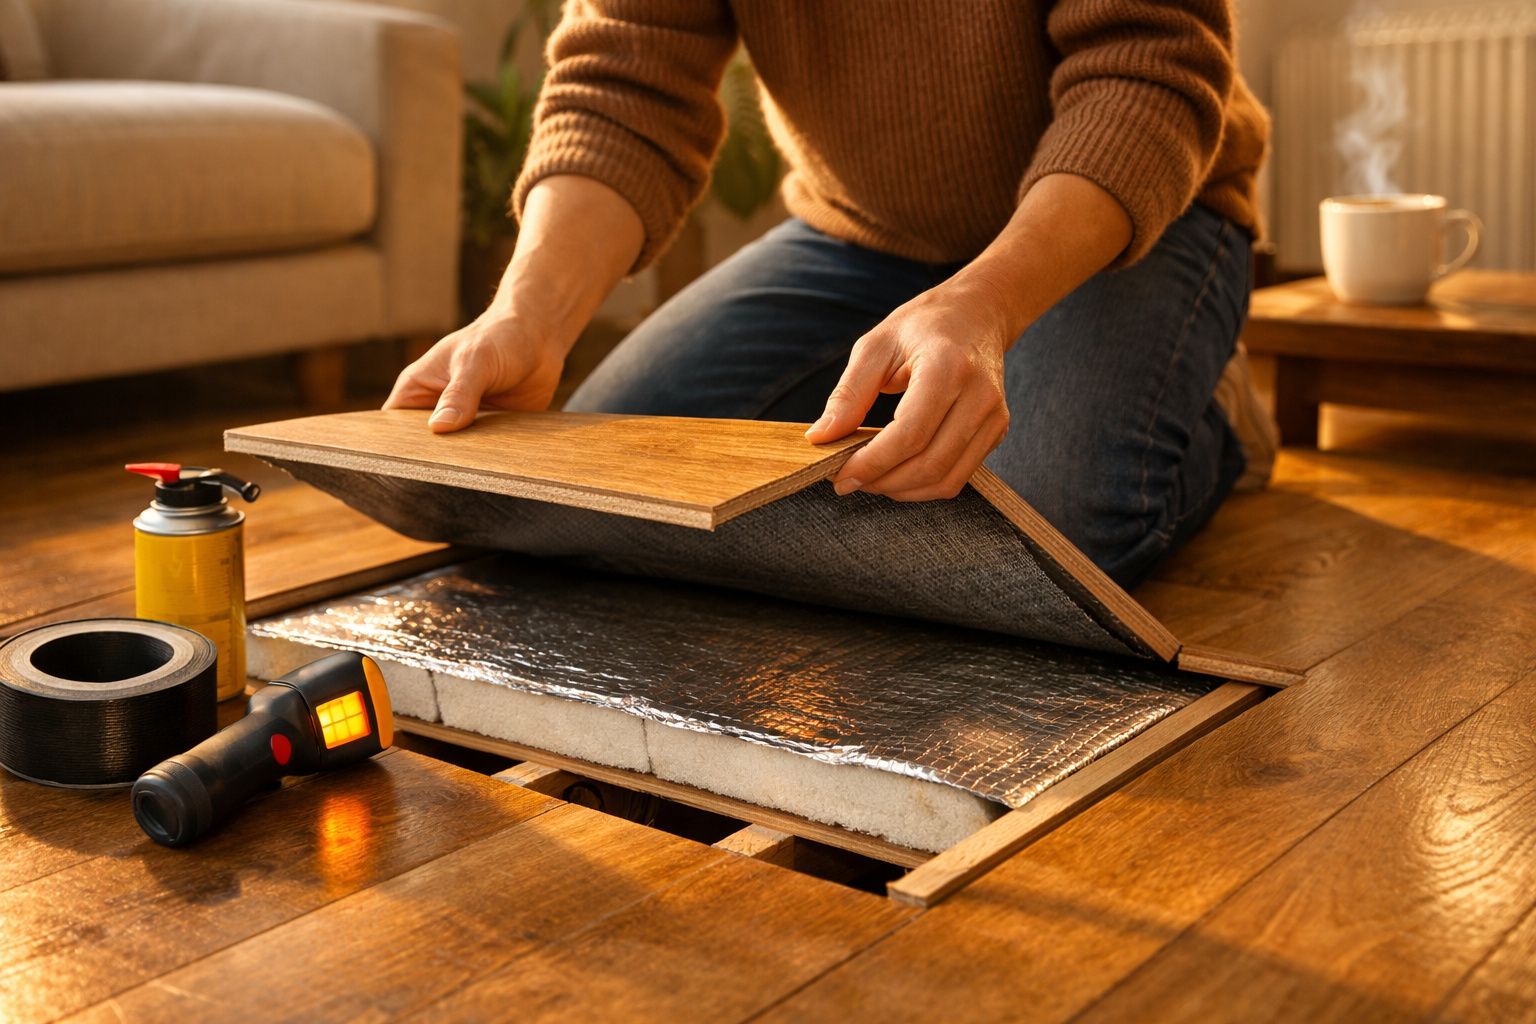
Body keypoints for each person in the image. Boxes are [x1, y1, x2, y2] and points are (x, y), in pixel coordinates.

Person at [387, 0, 1276, 587]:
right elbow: (622, 86)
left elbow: (1146, 73)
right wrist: (528, 314)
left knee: (1035, 537)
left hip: (1123, 222)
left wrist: (985, 303)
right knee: (600, 498)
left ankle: (1213, 415)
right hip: (859, 235)